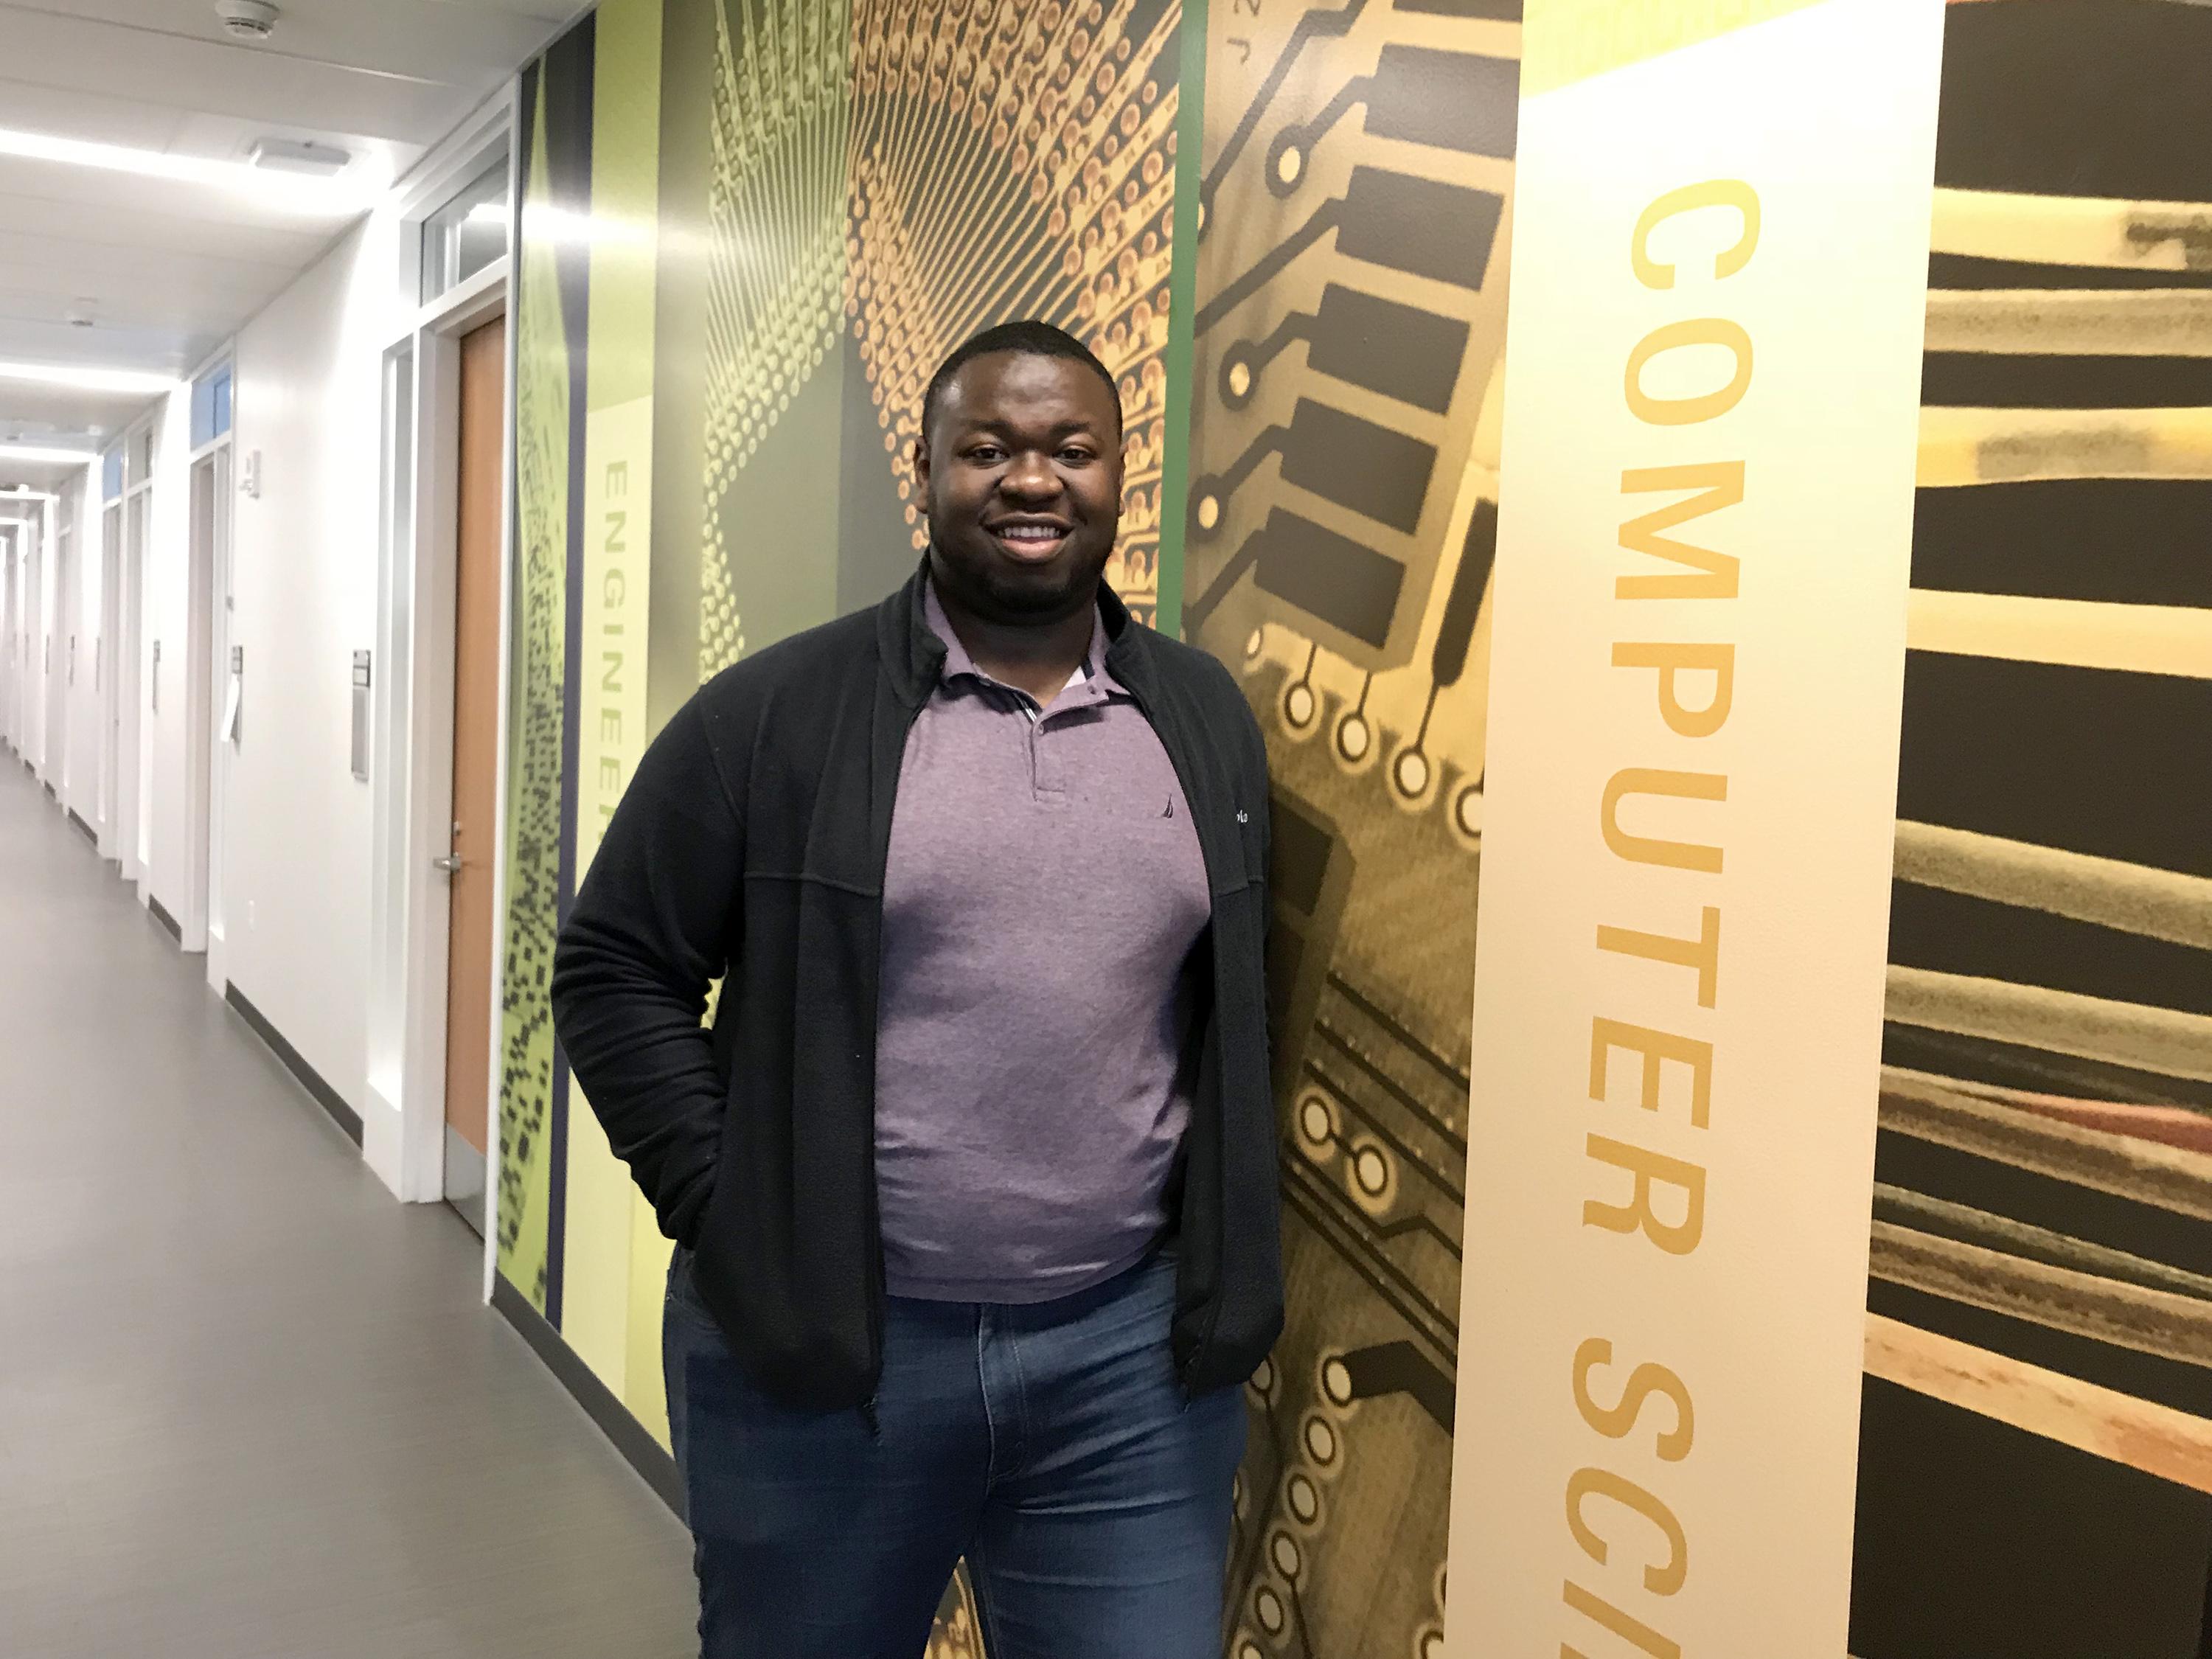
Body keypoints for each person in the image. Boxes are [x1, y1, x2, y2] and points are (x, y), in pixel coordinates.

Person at [549, 319, 1282, 1659]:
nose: (1032, 479)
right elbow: (615, 964)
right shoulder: (778, 713)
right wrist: (734, 1209)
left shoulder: (1200, 716)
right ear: (927, 469)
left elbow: (1228, 1009)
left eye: (1073, 448)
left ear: (1121, 477)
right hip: (832, 1365)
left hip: (1126, 1366)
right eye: (987, 447)